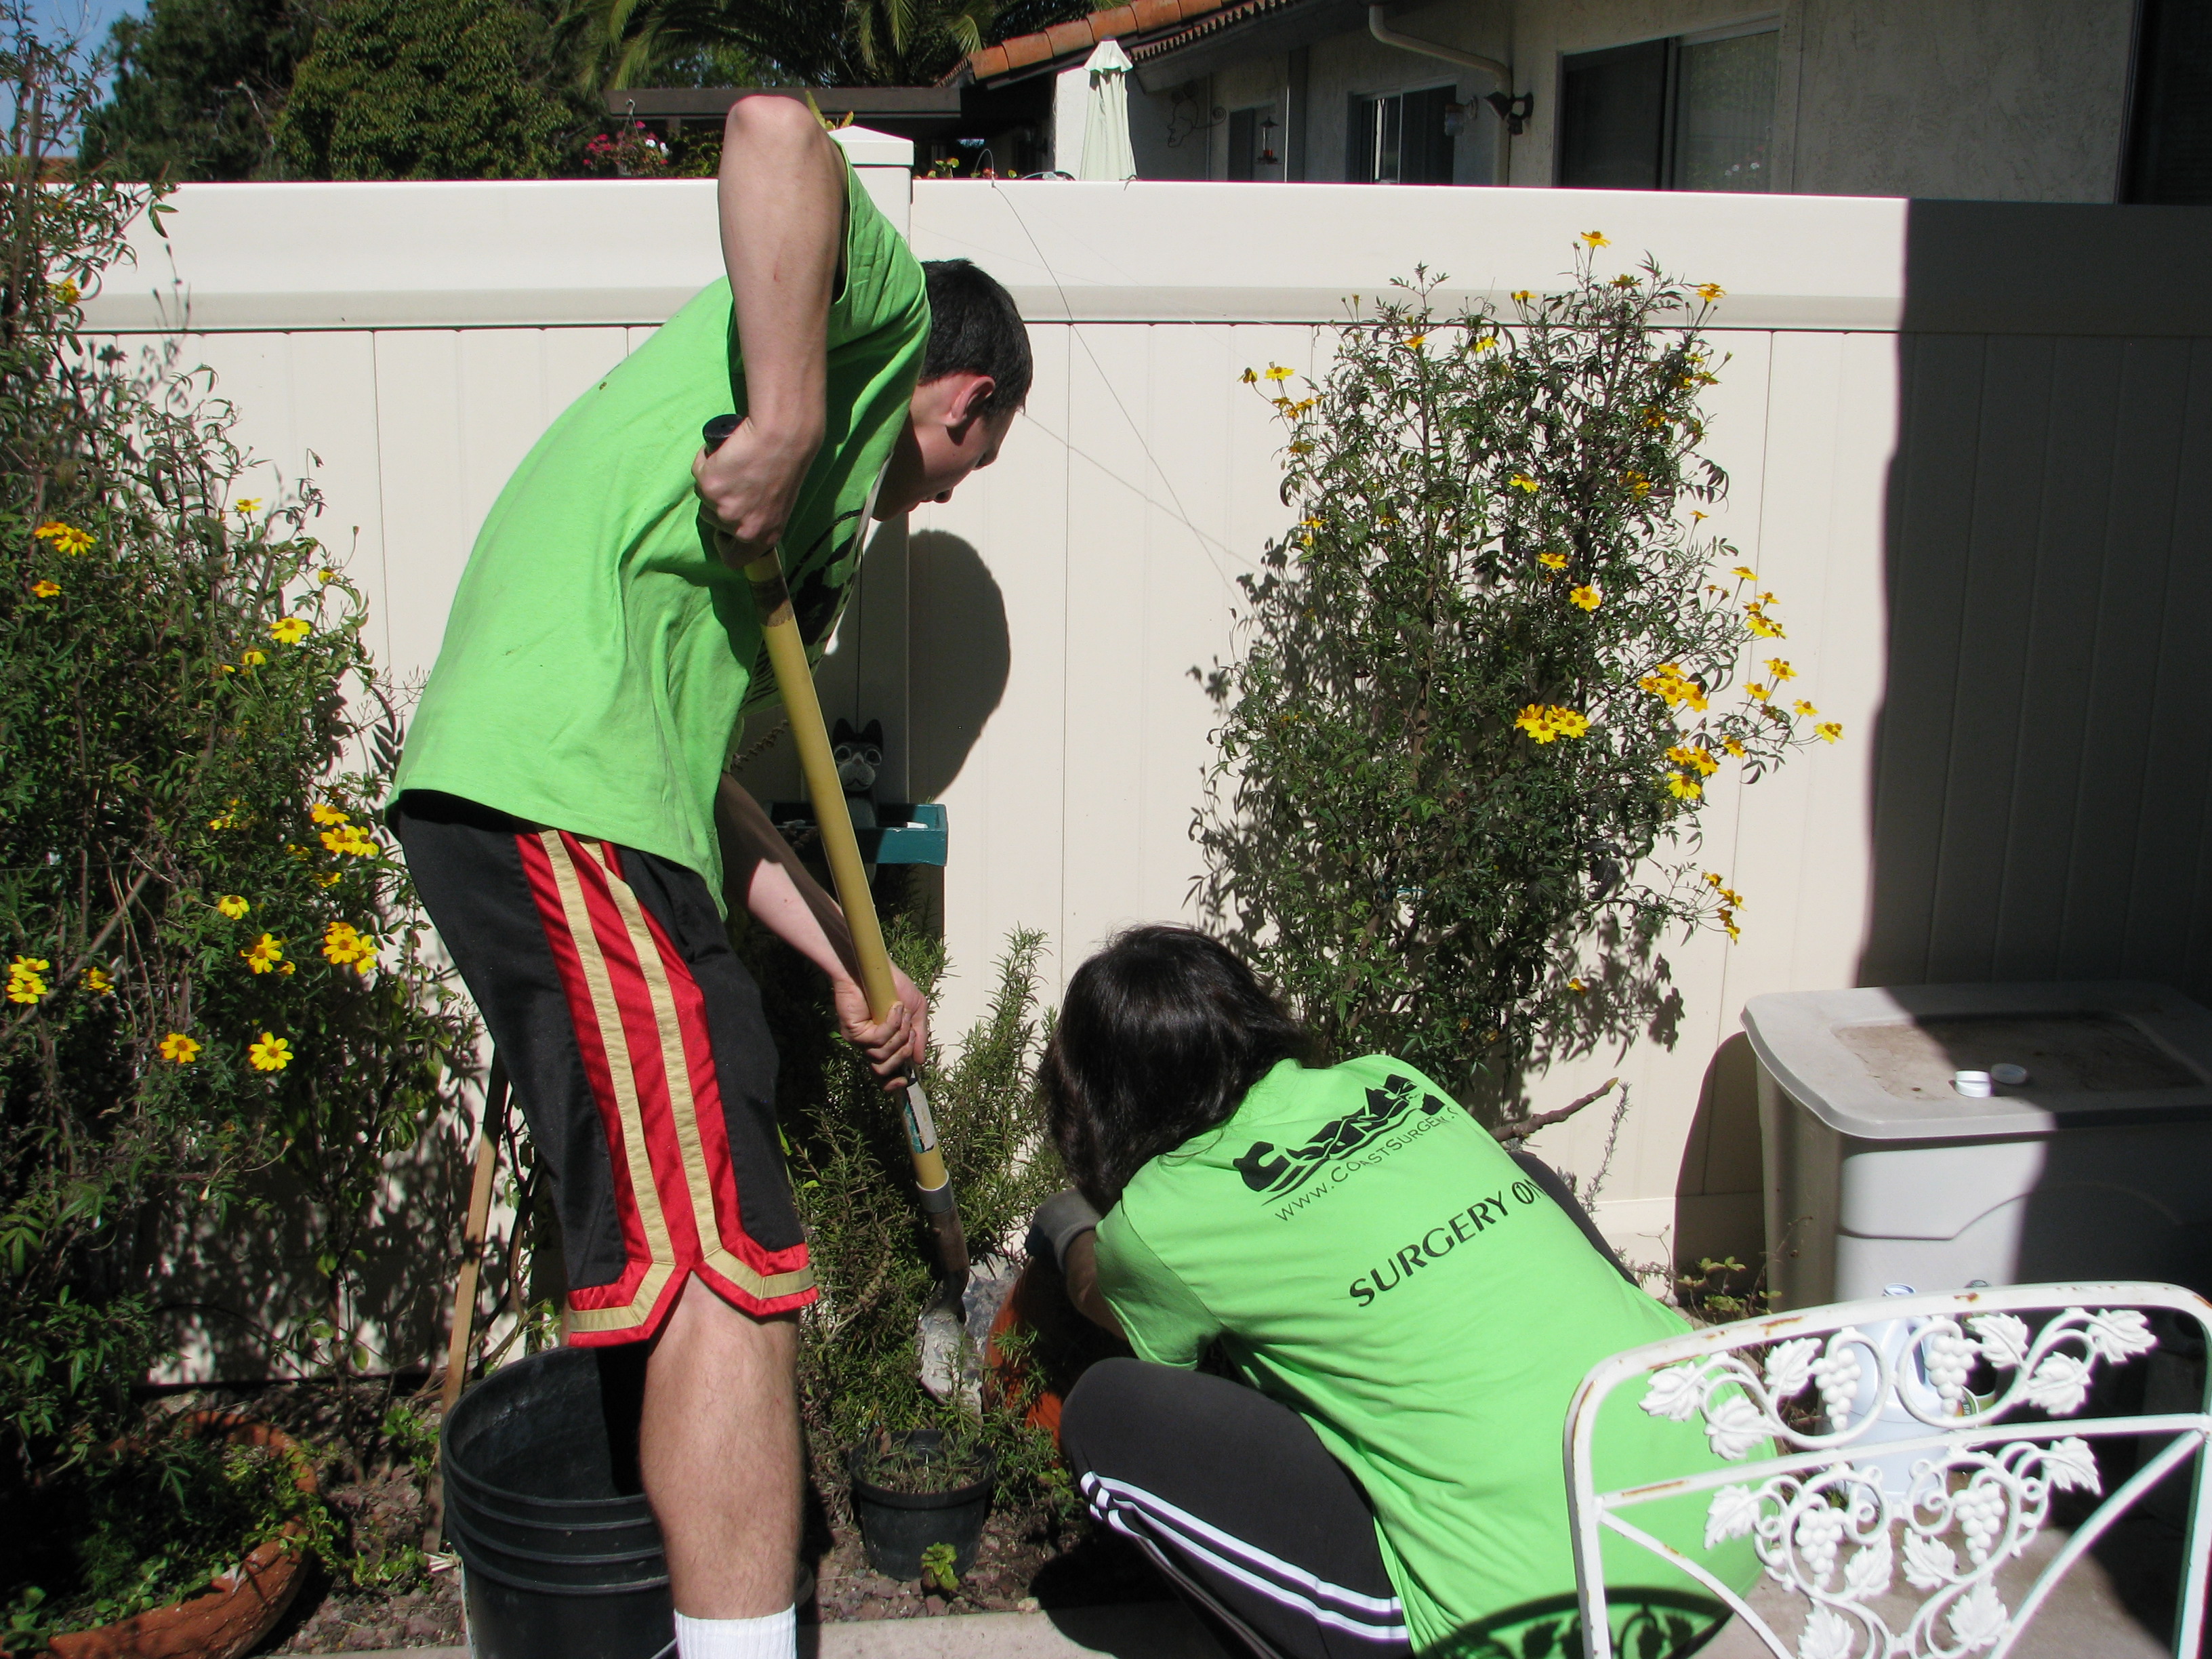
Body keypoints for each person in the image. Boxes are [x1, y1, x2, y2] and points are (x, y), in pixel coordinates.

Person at [387, 96, 1029, 1659]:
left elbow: (709, 794)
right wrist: (795, 417)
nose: (943, 491)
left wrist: (850, 958)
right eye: (967, 456)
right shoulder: (867, 321)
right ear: (965, 392)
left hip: (609, 809)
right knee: (722, 1255)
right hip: (557, 788)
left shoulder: (799, 553)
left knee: (690, 1245)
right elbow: (773, 135)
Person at [1029, 925, 1757, 1659]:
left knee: (1107, 1411)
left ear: (1102, 1096)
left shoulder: (1159, 1217)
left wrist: (1069, 1229)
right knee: (1526, 1174)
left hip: (1539, 1627)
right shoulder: (1386, 1080)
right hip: (1738, 1507)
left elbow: (1099, 1296)